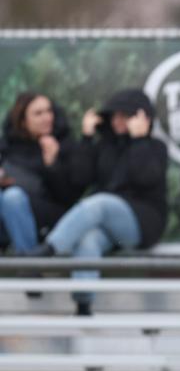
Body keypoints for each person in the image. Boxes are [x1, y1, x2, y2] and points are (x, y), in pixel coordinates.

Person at [25, 89, 168, 316]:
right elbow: (80, 178)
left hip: (142, 223)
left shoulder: (155, 148)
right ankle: (83, 304)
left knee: (100, 202)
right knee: (88, 239)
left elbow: (145, 178)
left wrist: (140, 140)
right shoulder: (104, 147)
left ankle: (47, 253)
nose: (118, 120)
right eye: (115, 115)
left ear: (141, 117)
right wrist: (87, 138)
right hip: (110, 229)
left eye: (125, 115)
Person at [0, 92, 84, 256]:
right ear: (23, 121)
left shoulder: (64, 144)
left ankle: (29, 266)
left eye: (49, 111)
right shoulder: (7, 146)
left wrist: (52, 164)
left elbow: (69, 197)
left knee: (13, 197)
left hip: (52, 215)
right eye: (39, 113)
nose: (47, 117)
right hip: (11, 213)